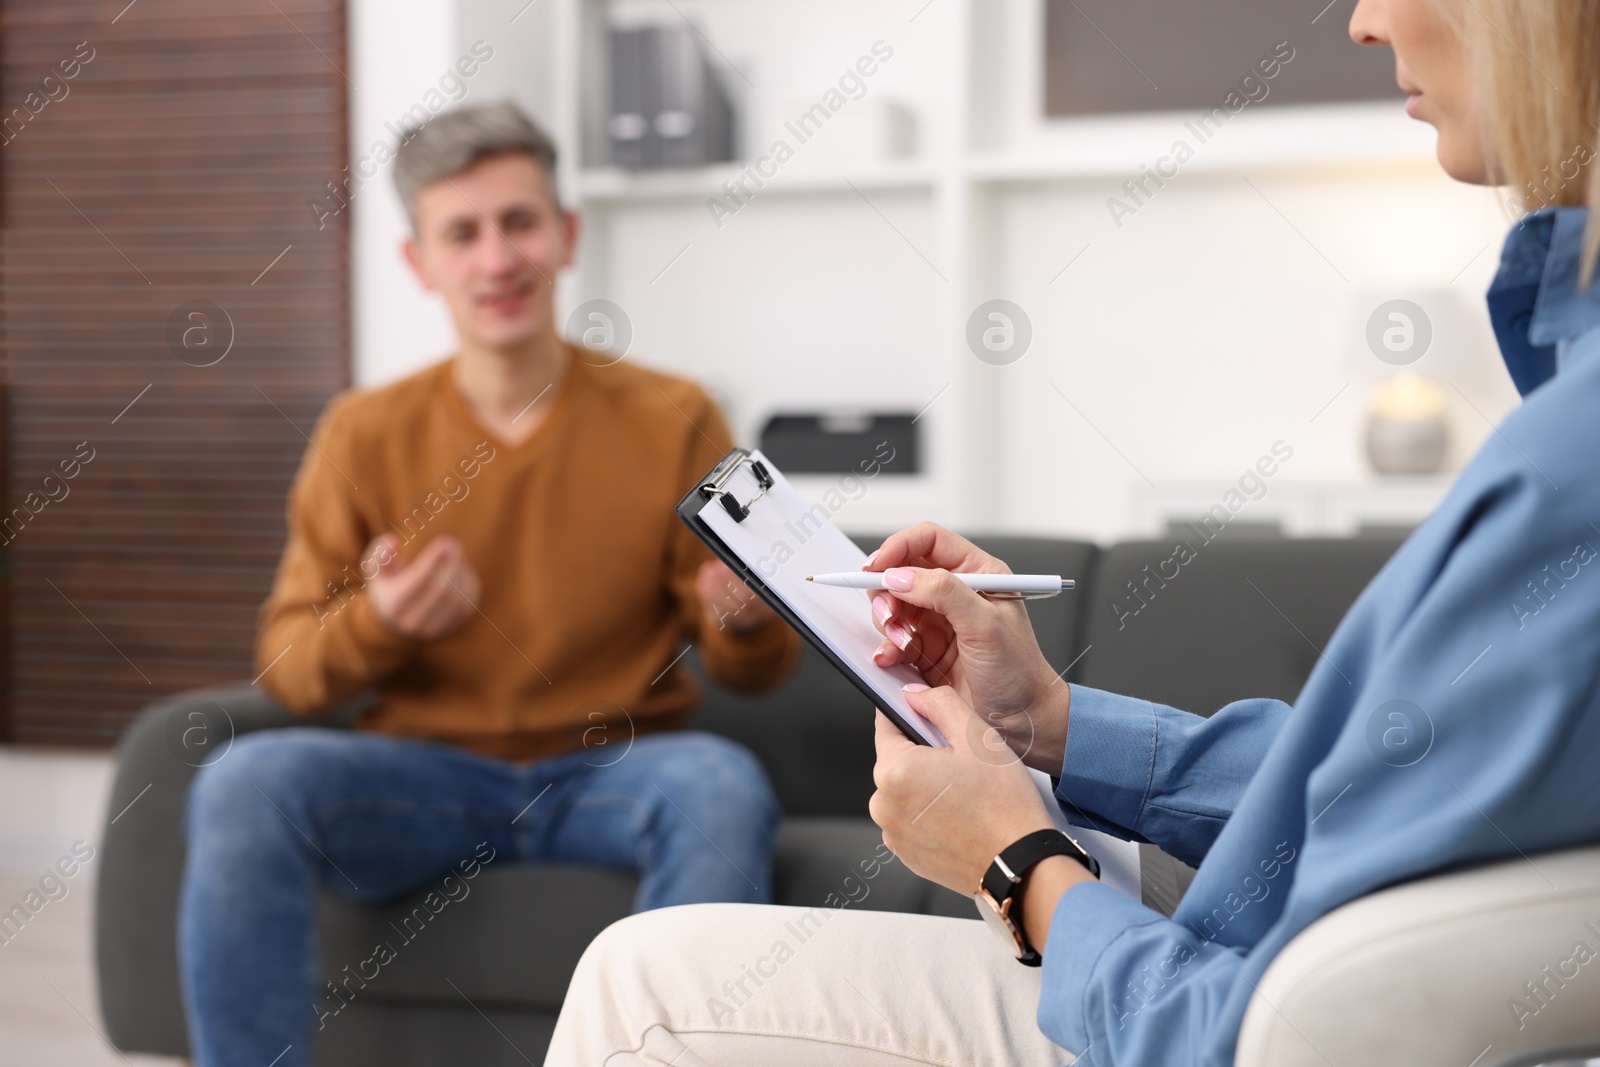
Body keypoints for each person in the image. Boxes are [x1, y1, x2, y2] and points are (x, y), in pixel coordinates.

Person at [542, 0, 1600, 1063]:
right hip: (1222, 987)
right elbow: (1371, 788)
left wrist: (1015, 859)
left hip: (1189, 1016)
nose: (1364, 21)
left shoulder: (1562, 471)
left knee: (645, 985)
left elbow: (1233, 1038)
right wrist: (1048, 721)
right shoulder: (1563, 437)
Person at [177, 103, 802, 1067]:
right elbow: (290, 674)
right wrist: (380, 621)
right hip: (424, 781)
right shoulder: (362, 433)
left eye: (518, 222)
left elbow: (752, 669)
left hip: (616, 767)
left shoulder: (675, 415)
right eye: (461, 233)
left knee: (722, 782)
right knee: (243, 781)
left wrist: (746, 617)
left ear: (565, 236)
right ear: (420, 263)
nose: (496, 257)